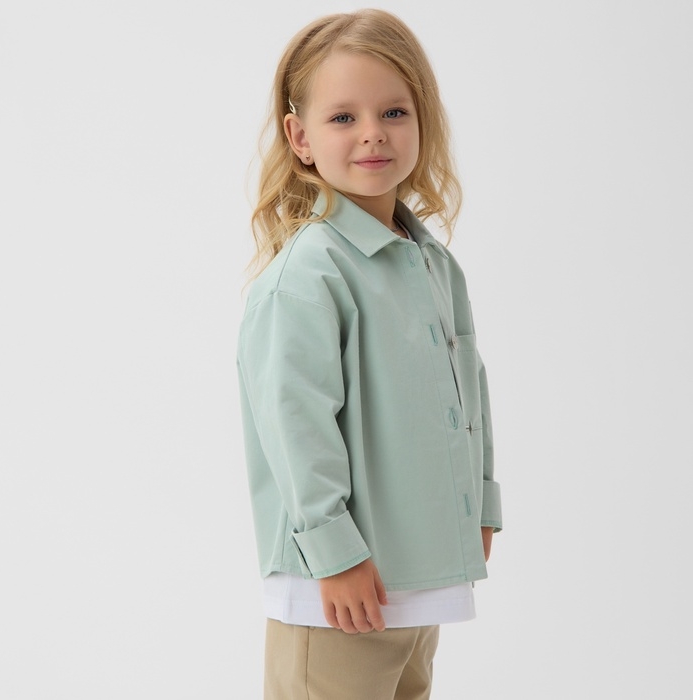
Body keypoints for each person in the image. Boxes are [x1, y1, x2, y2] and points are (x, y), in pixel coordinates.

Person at [237, 8, 502, 699]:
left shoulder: (433, 264)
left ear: (422, 121)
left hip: (415, 577)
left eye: (393, 111)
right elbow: (296, 427)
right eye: (342, 117)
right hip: (338, 593)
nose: (373, 133)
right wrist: (334, 554)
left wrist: (480, 504)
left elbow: (468, 391)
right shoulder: (307, 276)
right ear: (300, 137)